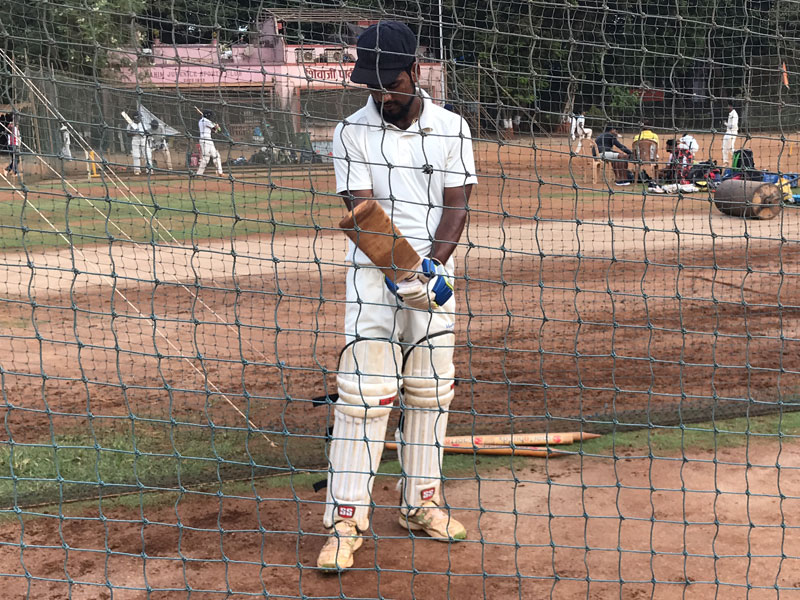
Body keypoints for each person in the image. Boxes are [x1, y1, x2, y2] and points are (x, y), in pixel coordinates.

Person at [318, 20, 477, 572]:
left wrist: (431, 267)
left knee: (432, 392)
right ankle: (345, 521)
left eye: (392, 82)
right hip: (373, 277)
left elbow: (457, 205)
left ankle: (420, 504)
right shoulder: (351, 132)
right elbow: (363, 211)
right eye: (373, 84)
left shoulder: (452, 128)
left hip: (433, 276)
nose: (382, 94)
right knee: (363, 397)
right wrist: (403, 274)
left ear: (415, 70)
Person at [196, 109, 223, 177]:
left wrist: (216, 127)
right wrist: (217, 126)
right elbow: (215, 129)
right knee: (206, 158)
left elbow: (214, 131)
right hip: (205, 140)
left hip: (208, 140)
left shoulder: (202, 121)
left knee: (216, 155)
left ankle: (220, 172)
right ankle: (199, 174)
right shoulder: (206, 121)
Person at [722, 101, 739, 166]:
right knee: (724, 147)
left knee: (730, 148)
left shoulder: (734, 114)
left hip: (732, 132)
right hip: (728, 132)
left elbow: (732, 126)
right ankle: (725, 161)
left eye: (729, 106)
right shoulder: (730, 113)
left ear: (731, 106)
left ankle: (738, 159)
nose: (728, 107)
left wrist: (725, 123)